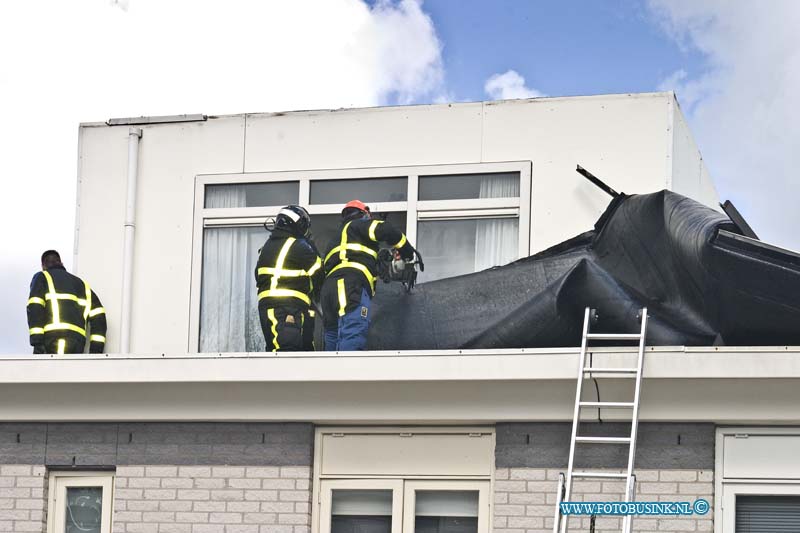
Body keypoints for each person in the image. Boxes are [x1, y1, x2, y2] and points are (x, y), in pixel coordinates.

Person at [321, 199, 415, 351]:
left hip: (328, 291)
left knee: (332, 336)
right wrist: (407, 251)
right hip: (350, 285)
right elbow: (387, 230)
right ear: (363, 214)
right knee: (353, 329)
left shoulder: (337, 239)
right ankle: (347, 372)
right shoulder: (358, 225)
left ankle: (331, 373)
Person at [255, 205, 323, 352]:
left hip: (271, 308)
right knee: (289, 354)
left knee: (279, 350)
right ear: (298, 223)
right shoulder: (298, 245)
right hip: (287, 308)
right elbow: (319, 271)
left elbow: (258, 276)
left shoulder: (267, 247)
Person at [27, 250, 107, 354]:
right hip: (77, 343)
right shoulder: (82, 284)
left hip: (54, 340)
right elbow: (99, 316)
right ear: (61, 263)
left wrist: (37, 342)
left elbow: (35, 307)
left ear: (43, 265)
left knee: (57, 369)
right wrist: (96, 350)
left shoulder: (42, 277)